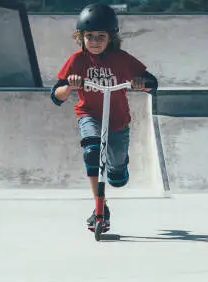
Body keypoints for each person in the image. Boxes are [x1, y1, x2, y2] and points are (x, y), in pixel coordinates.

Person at [50, 3, 158, 232]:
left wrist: (141, 84)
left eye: (101, 36)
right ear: (81, 37)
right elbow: (56, 96)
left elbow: (152, 84)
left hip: (118, 119)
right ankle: (100, 208)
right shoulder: (76, 60)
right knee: (91, 152)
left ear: (111, 38)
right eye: (89, 36)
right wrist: (69, 86)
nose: (95, 41)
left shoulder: (121, 59)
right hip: (89, 115)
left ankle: (118, 168)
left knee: (117, 177)